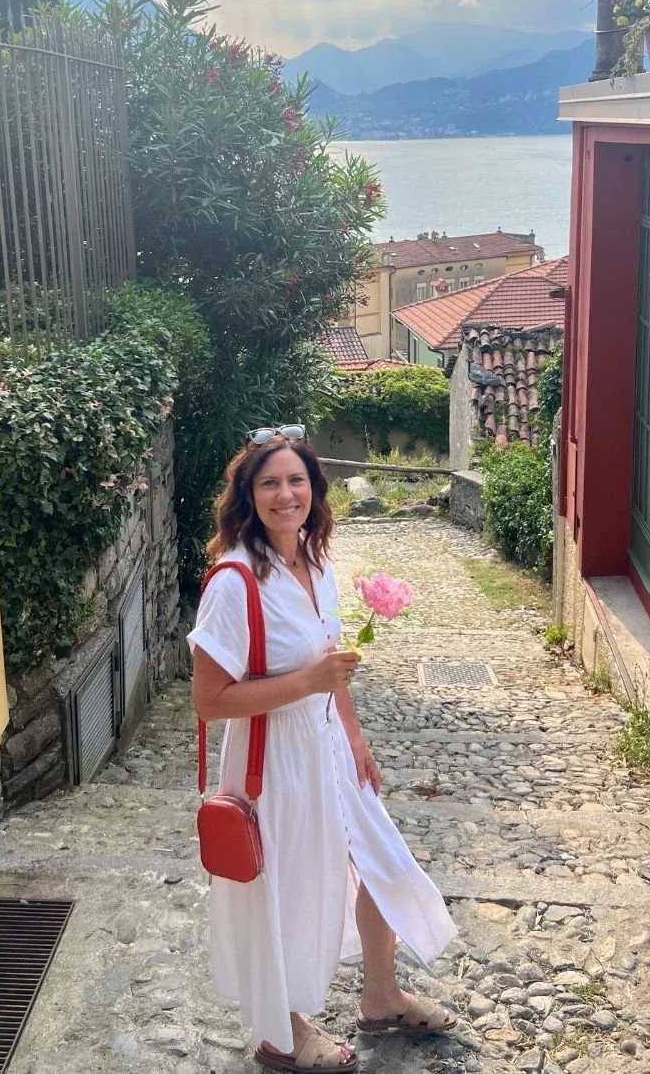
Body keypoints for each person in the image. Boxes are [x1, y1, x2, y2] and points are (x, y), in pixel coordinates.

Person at [188, 425, 458, 1072]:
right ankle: (282, 1032)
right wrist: (304, 684)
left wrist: (356, 737)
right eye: (270, 483)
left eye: (297, 480)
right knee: (284, 888)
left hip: (330, 751)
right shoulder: (235, 581)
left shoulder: (318, 562)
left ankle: (380, 994)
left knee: (382, 863)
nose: (286, 494)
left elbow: (330, 669)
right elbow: (210, 701)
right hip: (275, 763)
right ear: (248, 496)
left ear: (315, 487)